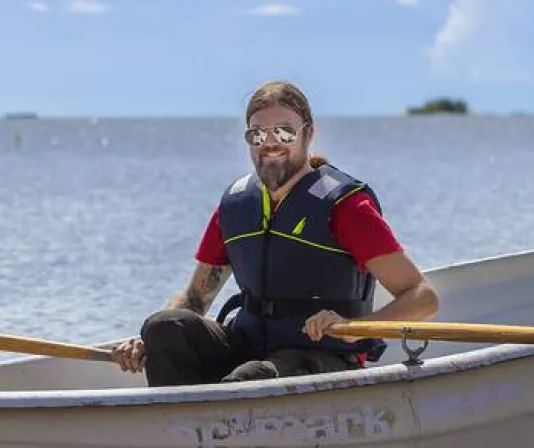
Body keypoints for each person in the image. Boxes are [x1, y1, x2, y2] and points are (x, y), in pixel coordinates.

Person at [111, 80, 439, 385]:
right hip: (250, 344)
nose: (269, 144)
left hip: (320, 355)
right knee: (164, 327)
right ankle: (179, 433)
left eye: (283, 133)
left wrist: (358, 328)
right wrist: (145, 341)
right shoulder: (237, 204)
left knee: (249, 378)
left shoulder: (347, 207)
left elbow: (422, 297)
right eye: (257, 135)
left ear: (308, 134)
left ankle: (223, 423)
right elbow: (195, 298)